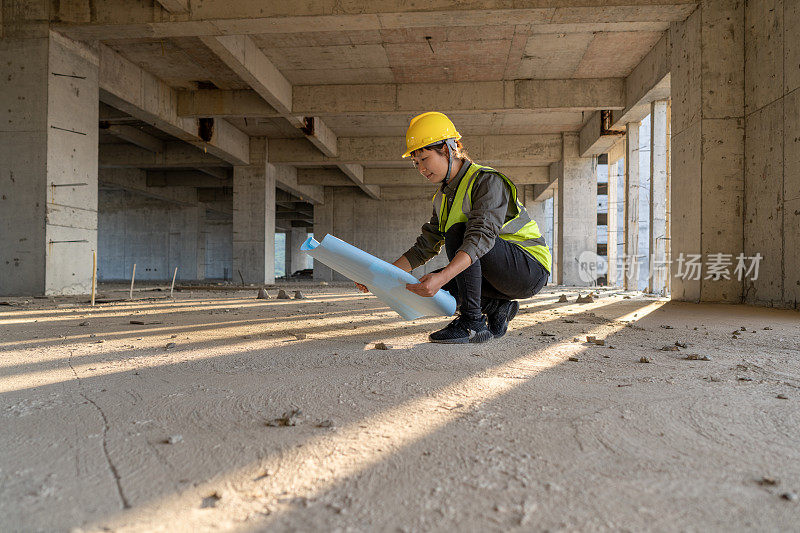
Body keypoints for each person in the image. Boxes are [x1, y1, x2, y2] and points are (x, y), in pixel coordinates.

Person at [357, 111, 551, 344]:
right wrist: (379, 275)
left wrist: (444, 275)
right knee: (434, 292)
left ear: (450, 149)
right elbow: (424, 248)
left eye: (425, 159)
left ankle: (473, 323)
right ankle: (497, 306)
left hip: (528, 270)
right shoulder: (442, 197)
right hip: (497, 277)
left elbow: (481, 238)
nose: (420, 168)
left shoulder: (487, 181)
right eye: (415, 162)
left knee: (458, 234)